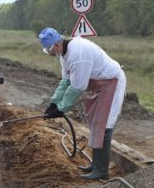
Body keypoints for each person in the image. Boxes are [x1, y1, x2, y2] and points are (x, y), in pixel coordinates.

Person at [38, 27, 126, 180]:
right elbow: (66, 81)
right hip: (99, 86)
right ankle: (95, 165)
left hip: (111, 83)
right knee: (94, 124)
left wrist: (61, 109)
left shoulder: (78, 55)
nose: (50, 54)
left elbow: (77, 87)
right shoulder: (63, 54)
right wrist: (54, 102)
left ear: (57, 46)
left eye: (50, 50)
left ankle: (101, 171)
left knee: (104, 127)